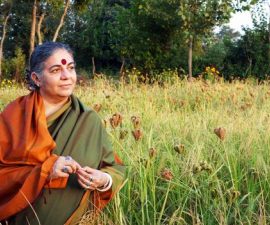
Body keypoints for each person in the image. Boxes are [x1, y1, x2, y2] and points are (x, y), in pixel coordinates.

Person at [0, 42, 125, 225]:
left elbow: (114, 167)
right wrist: (46, 171)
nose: (67, 76)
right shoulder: (13, 116)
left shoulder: (88, 120)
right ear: (36, 78)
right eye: (56, 70)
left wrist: (104, 179)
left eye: (71, 68)